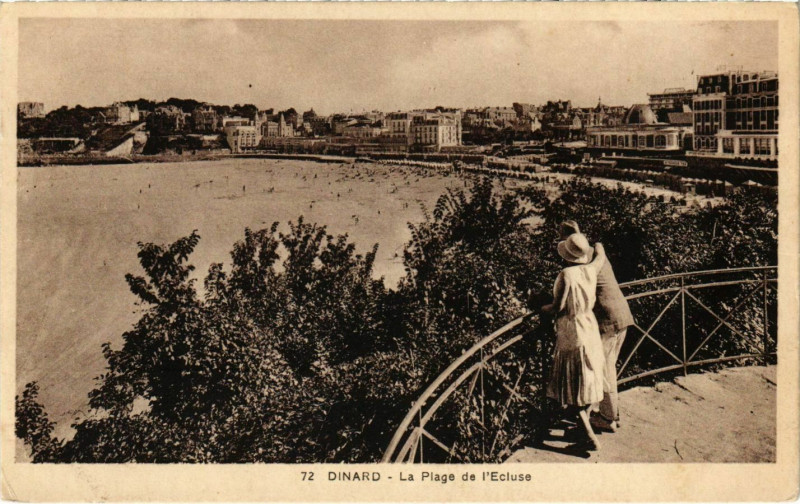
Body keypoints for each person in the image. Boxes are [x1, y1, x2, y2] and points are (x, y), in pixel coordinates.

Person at [559, 221, 634, 433]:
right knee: (606, 366)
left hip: (609, 321)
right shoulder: (596, 253)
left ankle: (608, 418)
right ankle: (611, 414)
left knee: (604, 369)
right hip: (621, 314)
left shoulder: (579, 268)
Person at [543, 232, 607, 451]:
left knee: (571, 386)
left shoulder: (566, 274)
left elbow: (557, 307)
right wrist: (597, 244)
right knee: (587, 381)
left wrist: (539, 307)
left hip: (572, 331)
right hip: (590, 326)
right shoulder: (592, 268)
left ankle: (589, 437)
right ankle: (581, 430)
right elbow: (600, 255)